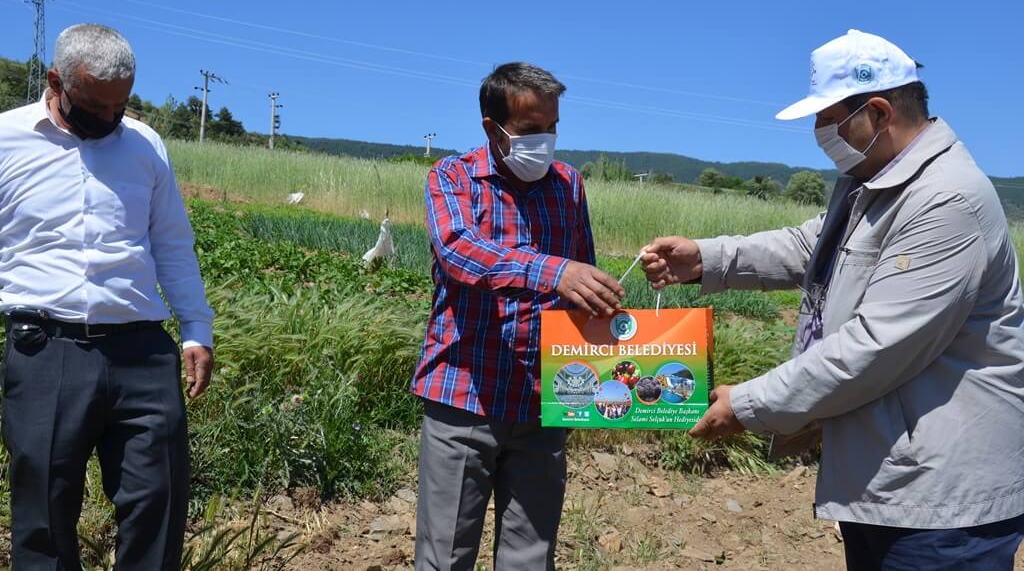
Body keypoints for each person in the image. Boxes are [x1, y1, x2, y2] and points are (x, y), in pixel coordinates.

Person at [642, 29, 1024, 570]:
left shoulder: (945, 200)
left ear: (878, 113)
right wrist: (705, 258)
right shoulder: (869, 181)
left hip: (942, 503)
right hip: (889, 476)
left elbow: (876, 347)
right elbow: (809, 245)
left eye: (829, 117)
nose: (820, 131)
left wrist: (748, 405)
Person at [0, 23, 214, 570]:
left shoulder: (145, 145)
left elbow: (172, 242)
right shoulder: (6, 140)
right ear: (56, 81)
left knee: (157, 503)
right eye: (97, 106)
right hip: (46, 349)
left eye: (122, 105)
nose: (111, 118)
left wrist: (196, 329)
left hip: (142, 351)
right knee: (44, 511)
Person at [411, 62, 624, 570]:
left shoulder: (568, 184)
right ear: (492, 127)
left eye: (552, 128)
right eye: (531, 131)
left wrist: (606, 314)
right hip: (465, 395)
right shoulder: (453, 178)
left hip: (541, 401)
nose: (545, 141)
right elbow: (460, 251)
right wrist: (551, 272)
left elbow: (580, 275)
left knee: (531, 555)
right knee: (446, 554)